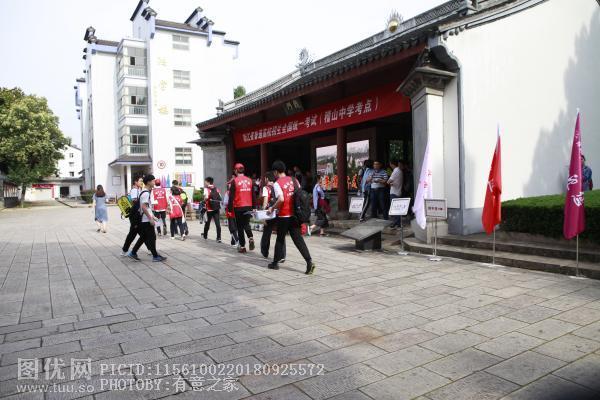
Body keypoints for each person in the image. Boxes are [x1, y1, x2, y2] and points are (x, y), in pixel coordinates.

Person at [266, 160, 315, 274]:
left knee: (280, 239)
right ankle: (309, 262)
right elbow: (299, 195)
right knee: (298, 240)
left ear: (276, 172)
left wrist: (272, 208)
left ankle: (275, 263)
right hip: (295, 215)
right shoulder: (294, 180)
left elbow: (281, 199)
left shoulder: (277, 183)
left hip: (284, 216)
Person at [128, 174, 167, 262]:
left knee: (144, 237)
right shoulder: (146, 193)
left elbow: (147, 207)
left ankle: (133, 253)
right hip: (145, 219)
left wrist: (153, 216)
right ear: (149, 182)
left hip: (145, 218)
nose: (154, 182)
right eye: (153, 181)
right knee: (152, 237)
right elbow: (144, 207)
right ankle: (155, 256)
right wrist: (150, 218)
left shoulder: (145, 192)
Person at [228, 163, 255, 253]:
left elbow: (231, 197)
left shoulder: (234, 181)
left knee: (240, 227)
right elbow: (253, 195)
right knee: (246, 224)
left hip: (238, 206)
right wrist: (254, 207)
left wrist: (230, 209)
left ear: (236, 171)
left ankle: (242, 247)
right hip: (248, 206)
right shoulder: (250, 180)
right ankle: (250, 237)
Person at [260, 171, 285, 260]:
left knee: (267, 232)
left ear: (267, 179)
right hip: (279, 212)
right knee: (280, 233)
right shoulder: (278, 186)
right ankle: (282, 255)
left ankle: (265, 252)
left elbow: (265, 202)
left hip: (270, 213)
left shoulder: (266, 188)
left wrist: (263, 215)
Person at [122, 175, 144, 255]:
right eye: (140, 181)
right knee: (133, 234)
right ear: (135, 182)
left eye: (142, 181)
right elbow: (134, 201)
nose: (142, 182)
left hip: (136, 215)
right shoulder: (135, 190)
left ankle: (151, 250)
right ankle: (125, 250)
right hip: (135, 216)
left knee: (138, 234)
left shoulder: (138, 190)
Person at [202, 177, 222, 243]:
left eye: (205, 181)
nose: (205, 183)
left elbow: (205, 198)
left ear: (208, 182)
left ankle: (205, 235)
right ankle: (219, 238)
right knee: (217, 223)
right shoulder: (216, 188)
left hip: (209, 208)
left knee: (207, 223)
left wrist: (204, 200)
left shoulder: (206, 189)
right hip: (216, 208)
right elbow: (220, 197)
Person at [223, 175, 239, 247]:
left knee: (232, 228)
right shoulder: (238, 192)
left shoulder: (228, 193)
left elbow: (225, 203)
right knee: (236, 227)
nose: (229, 185)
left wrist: (223, 204)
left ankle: (237, 241)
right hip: (238, 211)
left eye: (229, 184)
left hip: (231, 212)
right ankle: (233, 241)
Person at [388, 159, 404, 228]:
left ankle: (396, 222)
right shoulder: (400, 170)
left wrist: (389, 183)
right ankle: (398, 223)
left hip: (394, 192)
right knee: (397, 208)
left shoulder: (395, 171)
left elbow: (388, 181)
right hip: (398, 191)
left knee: (395, 208)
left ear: (391, 164)